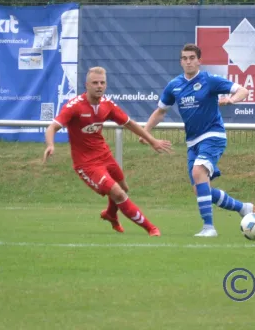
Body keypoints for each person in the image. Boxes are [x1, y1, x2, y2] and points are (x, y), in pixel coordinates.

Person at [140, 43, 254, 237]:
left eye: (192, 58)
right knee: (199, 188)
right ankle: (243, 208)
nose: (188, 61)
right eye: (184, 58)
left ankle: (209, 228)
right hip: (193, 142)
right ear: (180, 62)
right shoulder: (174, 85)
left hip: (213, 135)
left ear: (199, 61)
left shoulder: (209, 80)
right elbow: (160, 111)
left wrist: (231, 100)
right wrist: (146, 132)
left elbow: (243, 90)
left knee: (198, 171)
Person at [43, 67, 171, 236]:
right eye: (95, 83)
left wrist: (152, 141)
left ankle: (110, 214)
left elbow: (129, 123)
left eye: (102, 83)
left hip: (104, 155)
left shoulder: (107, 105)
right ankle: (151, 228)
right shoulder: (74, 107)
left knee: (124, 188)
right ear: (86, 85)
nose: (99, 86)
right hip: (86, 164)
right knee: (117, 193)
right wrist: (50, 145)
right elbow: (52, 127)